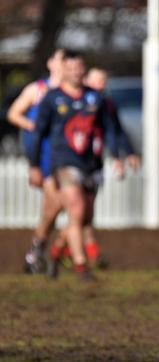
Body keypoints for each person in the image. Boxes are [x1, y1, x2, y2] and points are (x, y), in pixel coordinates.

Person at [29, 50, 121, 281]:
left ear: (83, 70)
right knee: (76, 208)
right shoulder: (51, 98)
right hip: (63, 162)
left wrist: (118, 155)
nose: (75, 72)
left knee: (83, 217)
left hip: (89, 164)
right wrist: (34, 165)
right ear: (64, 70)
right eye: (70, 68)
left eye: (79, 68)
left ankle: (55, 251)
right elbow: (37, 133)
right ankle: (81, 266)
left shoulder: (95, 98)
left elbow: (109, 129)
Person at [49, 67, 140, 271]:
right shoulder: (75, 104)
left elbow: (115, 131)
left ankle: (57, 251)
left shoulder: (106, 105)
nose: (101, 85)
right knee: (77, 212)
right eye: (97, 81)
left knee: (86, 216)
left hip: (93, 166)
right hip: (71, 164)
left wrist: (123, 154)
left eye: (104, 81)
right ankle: (82, 261)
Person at [7, 49, 65, 274]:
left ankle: (38, 251)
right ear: (50, 63)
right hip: (43, 155)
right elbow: (14, 113)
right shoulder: (37, 89)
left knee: (54, 208)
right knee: (56, 203)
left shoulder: (71, 92)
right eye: (60, 60)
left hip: (65, 156)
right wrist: (34, 126)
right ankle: (40, 250)